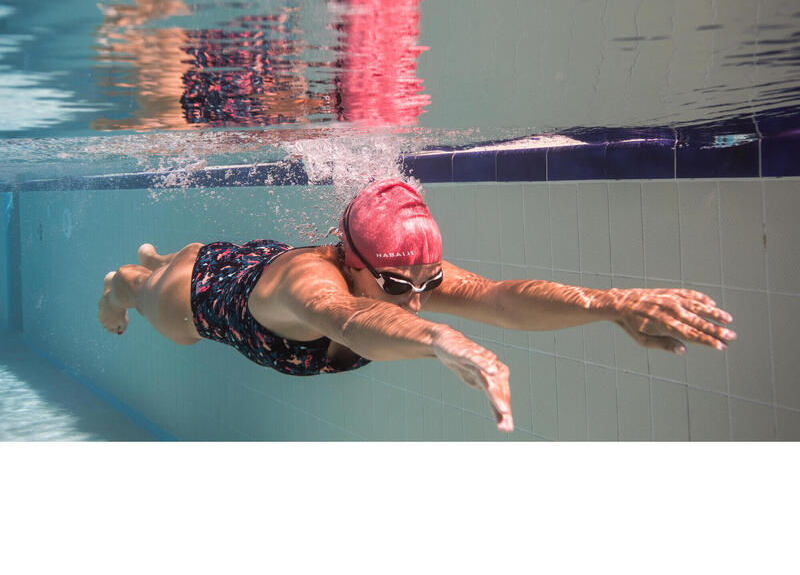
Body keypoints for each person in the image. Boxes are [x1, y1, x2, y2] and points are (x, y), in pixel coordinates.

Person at [97, 179, 736, 432]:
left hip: (255, 264)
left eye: (427, 282)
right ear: (351, 261)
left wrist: (611, 304)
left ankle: (159, 257)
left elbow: (498, 298)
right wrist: (435, 340)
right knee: (148, 295)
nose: (419, 297)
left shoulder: (408, 278)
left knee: (443, 289)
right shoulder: (311, 287)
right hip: (199, 295)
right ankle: (126, 280)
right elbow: (350, 320)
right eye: (401, 287)